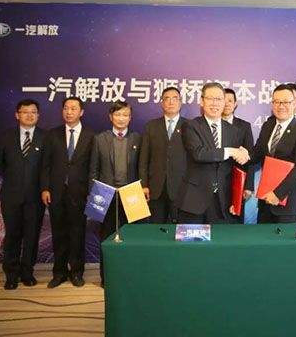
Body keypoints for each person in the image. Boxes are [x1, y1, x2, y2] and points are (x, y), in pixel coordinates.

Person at [41, 97, 95, 288]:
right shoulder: (52, 134)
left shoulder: (91, 135)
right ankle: (59, 273)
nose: (69, 112)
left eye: (73, 108)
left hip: (79, 193)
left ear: (81, 112)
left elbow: (93, 167)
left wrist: (91, 191)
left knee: (78, 234)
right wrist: (45, 188)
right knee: (59, 234)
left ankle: (77, 273)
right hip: (56, 192)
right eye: (66, 108)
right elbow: (45, 165)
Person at [176, 83, 248, 224]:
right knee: (191, 238)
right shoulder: (191, 126)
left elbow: (235, 168)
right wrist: (230, 151)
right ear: (201, 101)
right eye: (210, 98)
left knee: (220, 238)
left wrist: (236, 200)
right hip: (194, 201)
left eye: (219, 99)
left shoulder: (233, 131)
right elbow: (199, 153)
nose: (215, 103)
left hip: (223, 202)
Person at [0, 99, 46, 290]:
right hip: (11, 196)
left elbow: (47, 167)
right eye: (25, 112)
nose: (29, 115)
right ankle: (11, 275)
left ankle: (27, 273)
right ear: (17, 115)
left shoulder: (45, 137)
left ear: (38, 115)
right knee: (12, 236)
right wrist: (15, 180)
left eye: (33, 112)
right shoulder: (5, 136)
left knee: (32, 236)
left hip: (35, 198)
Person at [88, 100, 142, 286]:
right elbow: (93, 170)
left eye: (125, 115)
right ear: (110, 117)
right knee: (107, 237)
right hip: (105, 194)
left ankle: (129, 275)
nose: (121, 118)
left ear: (130, 117)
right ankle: (107, 277)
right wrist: (93, 194)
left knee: (132, 237)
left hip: (131, 194)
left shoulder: (137, 139)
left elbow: (142, 167)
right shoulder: (99, 139)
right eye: (118, 114)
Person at [247, 84, 296, 223]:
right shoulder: (268, 125)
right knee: (262, 237)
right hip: (265, 201)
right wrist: (244, 155)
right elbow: (258, 152)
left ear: (294, 103)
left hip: (288, 204)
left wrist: (278, 194)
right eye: (277, 102)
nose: (281, 106)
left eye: (286, 102)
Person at [139, 87, 187, 224]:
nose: (171, 102)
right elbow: (144, 158)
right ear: (162, 102)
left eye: (175, 98)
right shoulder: (151, 126)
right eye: (167, 98)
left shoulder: (189, 126)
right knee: (156, 228)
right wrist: (144, 184)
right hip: (156, 188)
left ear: (180, 102)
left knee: (179, 229)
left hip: (181, 188)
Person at [223, 88, 255, 222]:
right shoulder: (209, 126)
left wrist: (249, 185)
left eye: (230, 101)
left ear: (235, 104)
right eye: (223, 100)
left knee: (234, 220)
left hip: (237, 181)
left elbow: (250, 157)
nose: (226, 104)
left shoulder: (244, 126)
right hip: (214, 183)